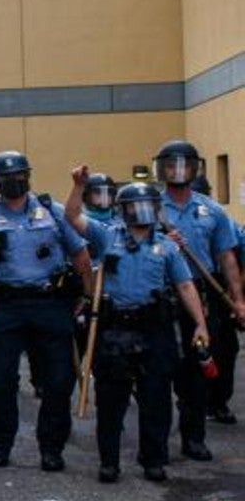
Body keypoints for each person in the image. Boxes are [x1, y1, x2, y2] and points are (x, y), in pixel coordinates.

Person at [65, 169, 209, 482]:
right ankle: (109, 462)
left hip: (154, 327)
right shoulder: (107, 235)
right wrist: (78, 186)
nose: (141, 212)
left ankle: (153, 459)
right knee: (112, 400)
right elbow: (72, 215)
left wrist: (200, 324)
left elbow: (185, 286)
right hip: (115, 327)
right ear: (123, 209)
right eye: (135, 206)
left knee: (156, 397)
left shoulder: (168, 247)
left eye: (148, 206)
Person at [0, 150, 93, 471]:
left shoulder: (53, 212)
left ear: (29, 176)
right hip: (5, 308)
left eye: (19, 175)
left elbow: (80, 255)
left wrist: (87, 297)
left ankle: (52, 448)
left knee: (58, 380)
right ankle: (0, 444)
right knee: (1, 380)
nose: (13, 182)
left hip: (50, 305)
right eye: (5, 178)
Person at [154, 140, 245, 451]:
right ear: (161, 168)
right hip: (160, 295)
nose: (178, 171)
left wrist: (238, 299)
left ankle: (194, 439)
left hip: (199, 293)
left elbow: (227, 257)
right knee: (159, 369)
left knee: (197, 367)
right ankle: (155, 444)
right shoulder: (149, 207)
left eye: (184, 165)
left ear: (195, 168)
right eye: (171, 165)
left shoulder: (212, 210)